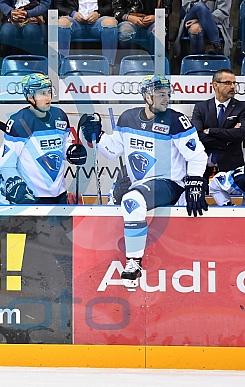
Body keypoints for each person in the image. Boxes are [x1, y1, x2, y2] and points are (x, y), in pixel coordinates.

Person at [84, 75, 208, 288]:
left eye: (168, 94)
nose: (166, 98)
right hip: (141, 185)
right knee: (127, 197)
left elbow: (197, 156)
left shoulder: (176, 121)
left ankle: (134, 262)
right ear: (147, 96)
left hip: (169, 183)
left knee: (131, 200)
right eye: (161, 94)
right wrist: (96, 136)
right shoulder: (127, 118)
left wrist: (195, 183)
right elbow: (114, 150)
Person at [0, 73, 91, 205]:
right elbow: (5, 162)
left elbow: (64, 144)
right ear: (30, 97)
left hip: (59, 195)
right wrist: (15, 183)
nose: (48, 97)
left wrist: (71, 152)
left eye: (49, 91)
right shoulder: (19, 122)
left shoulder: (60, 115)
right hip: (31, 197)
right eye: (42, 93)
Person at [191, 69, 245, 183]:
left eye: (234, 83)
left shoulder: (242, 108)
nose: (233, 86)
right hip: (202, 167)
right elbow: (197, 136)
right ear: (215, 85)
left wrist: (210, 131)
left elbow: (241, 134)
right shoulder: (201, 108)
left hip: (231, 166)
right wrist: (227, 140)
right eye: (228, 83)